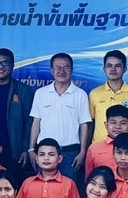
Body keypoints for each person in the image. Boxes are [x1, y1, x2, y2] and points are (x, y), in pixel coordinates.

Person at [29, 53, 92, 182]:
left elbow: (84, 125)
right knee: (45, 187)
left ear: (72, 70)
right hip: (45, 152)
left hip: (70, 153)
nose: (61, 71)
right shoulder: (41, 93)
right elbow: (36, 122)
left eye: (66, 67)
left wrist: (82, 152)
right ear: (52, 71)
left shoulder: (81, 95)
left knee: (69, 188)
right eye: (58, 67)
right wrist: (31, 149)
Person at [89, 50, 128, 142]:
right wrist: (87, 148)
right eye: (109, 66)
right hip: (99, 147)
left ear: (125, 69)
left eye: (118, 66)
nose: (113, 69)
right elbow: (90, 124)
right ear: (104, 69)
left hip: (125, 147)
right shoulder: (94, 94)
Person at [84, 105, 128, 176]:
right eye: (113, 123)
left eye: (123, 123)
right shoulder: (94, 149)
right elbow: (89, 178)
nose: (118, 127)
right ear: (106, 125)